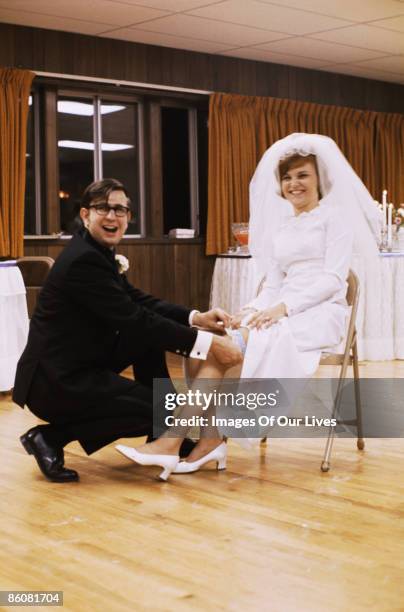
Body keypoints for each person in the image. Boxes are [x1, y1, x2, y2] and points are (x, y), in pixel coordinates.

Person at [116, 133, 381, 480]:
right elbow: (272, 284)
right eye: (287, 177)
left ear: (320, 179)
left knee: (226, 348)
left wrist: (283, 309)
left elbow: (333, 280)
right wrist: (248, 311)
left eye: (302, 175)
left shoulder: (335, 220)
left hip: (320, 313)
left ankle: (174, 443)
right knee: (208, 341)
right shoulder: (284, 227)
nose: (293, 184)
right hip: (280, 307)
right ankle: (206, 441)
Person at [13, 178, 242, 483]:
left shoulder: (95, 251)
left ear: (129, 217)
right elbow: (135, 319)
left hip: (79, 362)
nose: (113, 216)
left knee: (146, 345)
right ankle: (51, 437)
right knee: (163, 398)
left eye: (120, 209)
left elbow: (137, 301)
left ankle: (164, 434)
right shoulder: (83, 260)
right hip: (54, 382)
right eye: (103, 208)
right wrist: (208, 345)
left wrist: (196, 317)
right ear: (85, 215)